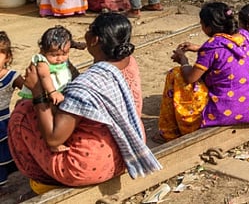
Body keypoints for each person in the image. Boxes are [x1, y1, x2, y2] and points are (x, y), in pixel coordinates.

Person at [8, 13, 161, 190]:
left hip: (86, 167)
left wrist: (37, 92)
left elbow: (53, 139)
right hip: (128, 152)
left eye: (88, 30)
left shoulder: (84, 87)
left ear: (94, 40)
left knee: (23, 111)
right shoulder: (128, 62)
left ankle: (45, 180)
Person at [157, 2, 249, 142]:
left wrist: (183, 60)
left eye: (202, 24)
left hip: (223, 112)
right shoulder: (244, 36)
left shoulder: (211, 48)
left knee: (176, 74)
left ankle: (169, 133)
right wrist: (199, 48)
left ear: (208, 27)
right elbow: (227, 50)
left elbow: (191, 77)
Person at [18, 26, 86, 105]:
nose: (59, 58)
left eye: (64, 54)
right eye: (54, 55)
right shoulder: (42, 61)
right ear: (43, 50)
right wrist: (52, 92)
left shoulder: (62, 60)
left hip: (58, 92)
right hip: (39, 95)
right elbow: (45, 76)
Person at [0, 32, 20, 187]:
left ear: (7, 57)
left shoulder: (12, 77)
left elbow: (30, 90)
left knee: (4, 154)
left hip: (3, 123)